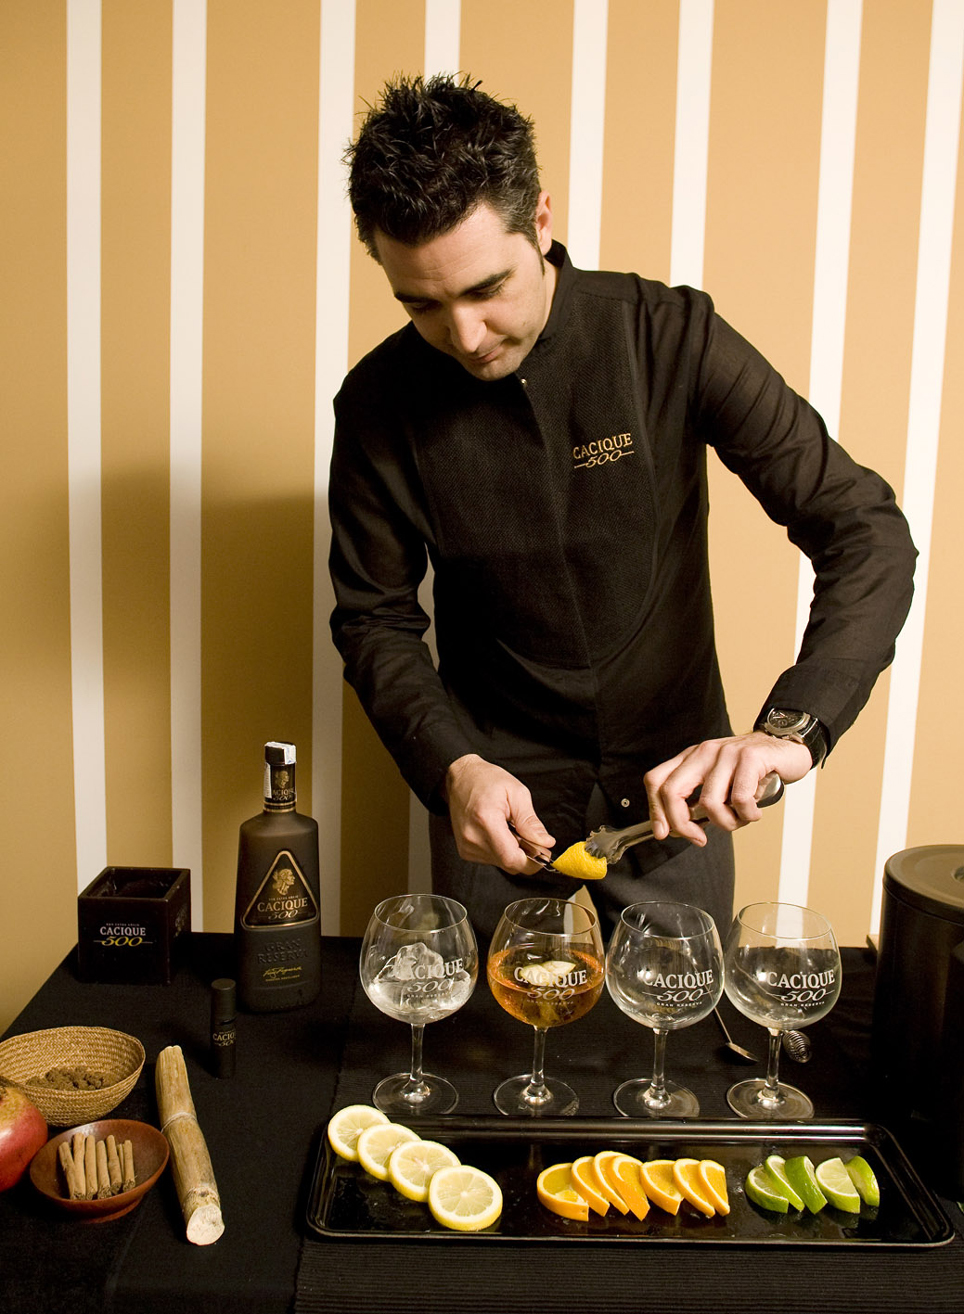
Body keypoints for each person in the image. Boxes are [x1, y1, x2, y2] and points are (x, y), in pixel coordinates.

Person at [328, 74, 916, 942]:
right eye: (422, 304)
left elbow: (863, 528)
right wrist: (452, 767)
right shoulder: (378, 403)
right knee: (483, 1022)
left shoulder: (670, 337)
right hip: (494, 788)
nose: (465, 337)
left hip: (674, 786)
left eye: (487, 288)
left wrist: (792, 730)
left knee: (681, 1017)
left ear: (540, 221)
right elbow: (375, 619)